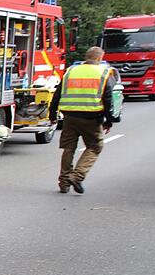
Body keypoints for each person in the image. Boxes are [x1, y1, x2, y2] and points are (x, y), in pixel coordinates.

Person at [48, 46, 114, 194]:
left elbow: (58, 94)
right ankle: (77, 176)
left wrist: (52, 114)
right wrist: (109, 120)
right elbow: (108, 98)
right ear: (99, 58)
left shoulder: (71, 71)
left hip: (69, 117)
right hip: (92, 118)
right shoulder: (103, 72)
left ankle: (64, 183)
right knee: (95, 147)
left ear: (86, 57)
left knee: (68, 148)